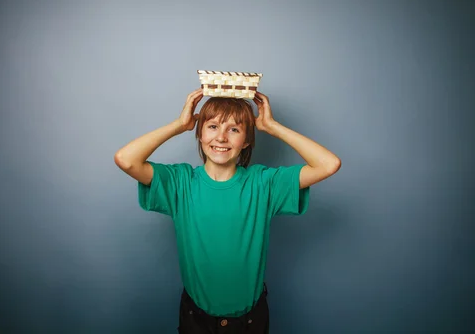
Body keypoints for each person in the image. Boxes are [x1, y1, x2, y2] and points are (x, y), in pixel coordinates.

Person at [114, 88, 341, 333]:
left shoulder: (264, 183)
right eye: (212, 126)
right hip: (196, 319)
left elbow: (328, 164)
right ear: (199, 133)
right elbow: (126, 159)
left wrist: (272, 126)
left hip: (249, 321)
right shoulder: (180, 182)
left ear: (246, 140)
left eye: (234, 129)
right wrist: (179, 125)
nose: (221, 137)